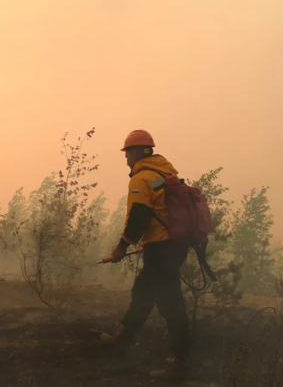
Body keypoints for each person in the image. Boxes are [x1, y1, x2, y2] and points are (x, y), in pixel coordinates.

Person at [101, 129, 191, 380]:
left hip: (162, 249)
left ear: (138, 152)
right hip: (173, 245)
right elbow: (159, 211)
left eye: (128, 153)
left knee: (169, 303)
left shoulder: (141, 179)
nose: (126, 159)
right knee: (143, 292)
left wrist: (122, 246)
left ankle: (181, 364)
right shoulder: (164, 175)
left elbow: (139, 216)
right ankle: (123, 339)